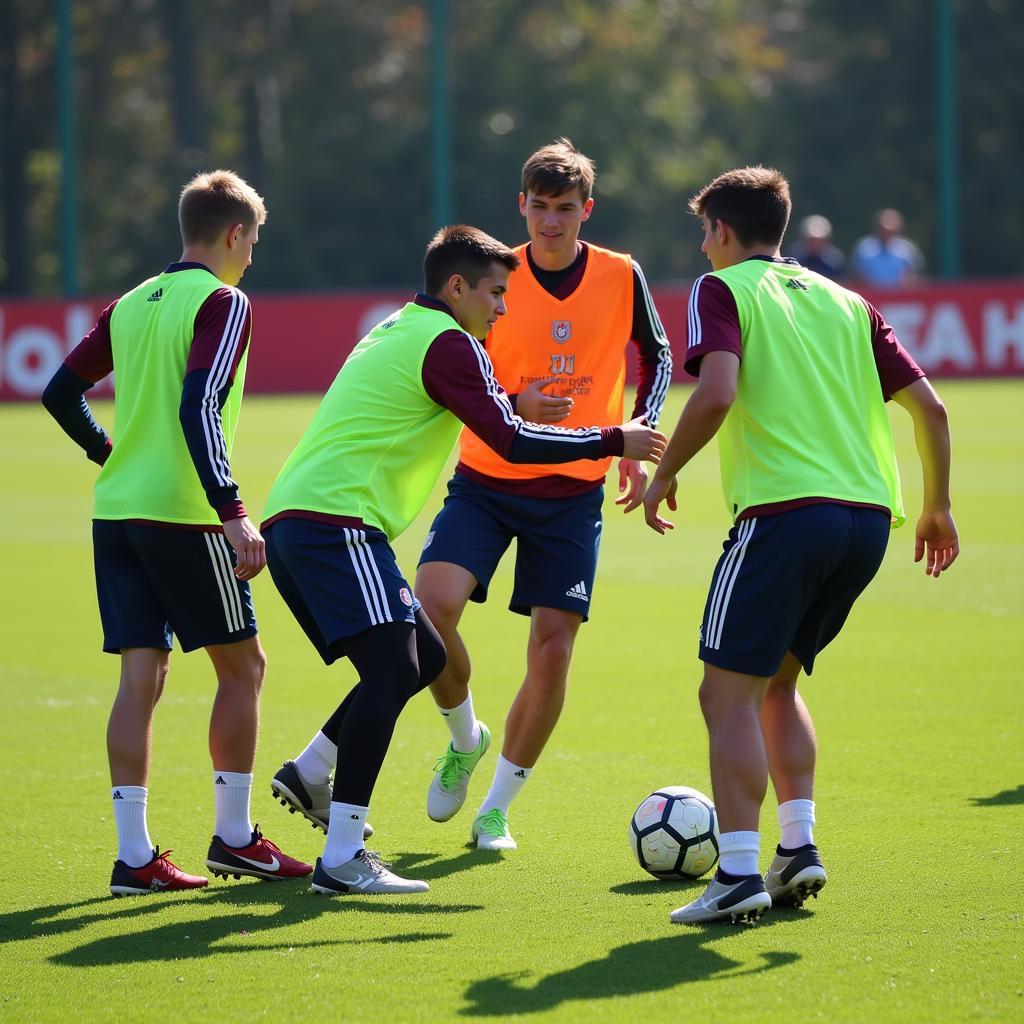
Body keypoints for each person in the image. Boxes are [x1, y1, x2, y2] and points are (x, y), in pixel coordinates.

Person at [263, 224, 665, 895]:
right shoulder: (451, 341)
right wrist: (612, 438)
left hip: (307, 520)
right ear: (458, 287)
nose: (504, 309)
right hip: (336, 522)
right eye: (495, 294)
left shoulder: (408, 327)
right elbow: (507, 442)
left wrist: (511, 401)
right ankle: (341, 859)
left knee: (419, 656)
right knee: (396, 670)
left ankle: (313, 770)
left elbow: (470, 406)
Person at [641, 166, 958, 925]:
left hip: (784, 516)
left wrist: (665, 472)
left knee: (724, 696)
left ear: (719, 230)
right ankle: (798, 849)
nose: (703, 247)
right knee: (775, 685)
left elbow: (716, 392)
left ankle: (739, 873)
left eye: (704, 232)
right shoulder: (850, 301)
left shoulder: (722, 290)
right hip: (865, 523)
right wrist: (937, 507)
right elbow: (932, 409)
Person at [41, 170, 312, 896]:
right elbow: (201, 408)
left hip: (117, 512)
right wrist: (233, 511)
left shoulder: (130, 302)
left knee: (141, 676)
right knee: (244, 668)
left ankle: (135, 857)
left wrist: (111, 454)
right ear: (232, 234)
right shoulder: (224, 301)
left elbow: (59, 391)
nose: (253, 253)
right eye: (252, 238)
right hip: (183, 514)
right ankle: (236, 840)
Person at [407, 137, 672, 852]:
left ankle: (495, 809)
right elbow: (459, 361)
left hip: (573, 491)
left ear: (588, 210)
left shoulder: (622, 274)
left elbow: (660, 352)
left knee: (552, 653)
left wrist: (638, 436)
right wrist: (511, 398)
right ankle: (465, 737)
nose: (551, 223)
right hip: (487, 478)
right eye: (539, 207)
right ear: (520, 205)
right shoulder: (494, 273)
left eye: (565, 209)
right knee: (428, 613)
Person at [850, 208, 925, 288]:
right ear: (877, 228)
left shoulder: (907, 249)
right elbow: (856, 275)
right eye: (883, 231)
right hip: (870, 296)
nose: (886, 235)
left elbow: (916, 275)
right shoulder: (864, 248)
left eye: (890, 232)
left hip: (899, 297)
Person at [786, 214, 845, 281]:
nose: (815, 244)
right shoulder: (795, 257)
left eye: (820, 240)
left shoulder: (834, 261)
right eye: (812, 240)